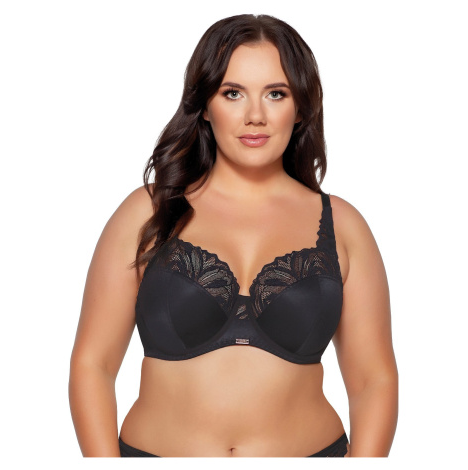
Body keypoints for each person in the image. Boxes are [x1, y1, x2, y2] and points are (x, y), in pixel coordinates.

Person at [68, 14, 398, 457]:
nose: (255, 116)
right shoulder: (148, 212)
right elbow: (93, 364)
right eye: (233, 93)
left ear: (300, 107)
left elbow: (373, 380)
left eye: (276, 94)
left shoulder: (343, 224)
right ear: (205, 105)